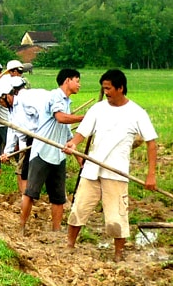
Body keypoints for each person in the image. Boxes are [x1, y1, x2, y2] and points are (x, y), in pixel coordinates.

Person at [64, 69, 157, 262]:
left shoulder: (137, 113)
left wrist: (151, 175)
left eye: (108, 88)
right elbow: (82, 133)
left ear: (120, 88)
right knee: (78, 209)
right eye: (103, 88)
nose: (105, 92)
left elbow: (151, 143)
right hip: (91, 171)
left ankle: (118, 254)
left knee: (116, 218)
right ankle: (70, 245)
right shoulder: (98, 109)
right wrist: (73, 144)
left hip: (116, 173)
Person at [19, 68, 84, 234]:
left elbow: (66, 133)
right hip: (42, 152)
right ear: (67, 80)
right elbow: (60, 118)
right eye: (77, 80)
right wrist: (85, 118)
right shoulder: (55, 96)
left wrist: (78, 157)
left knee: (58, 197)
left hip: (58, 156)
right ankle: (21, 227)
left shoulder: (67, 103)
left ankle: (56, 231)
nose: (79, 85)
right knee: (31, 192)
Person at [1, 79, 50, 194]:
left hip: (37, 141)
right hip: (29, 142)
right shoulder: (13, 107)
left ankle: (27, 198)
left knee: (26, 173)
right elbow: (13, 129)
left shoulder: (26, 100)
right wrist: (8, 151)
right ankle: (25, 198)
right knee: (23, 172)